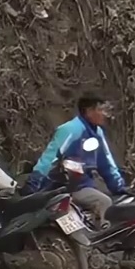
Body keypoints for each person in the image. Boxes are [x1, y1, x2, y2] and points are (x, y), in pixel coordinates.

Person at [28, 92, 127, 222]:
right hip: (62, 187)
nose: (105, 114)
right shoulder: (71, 129)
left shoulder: (97, 132)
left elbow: (107, 164)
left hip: (84, 185)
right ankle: (98, 239)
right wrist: (33, 183)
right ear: (88, 111)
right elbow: (49, 158)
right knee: (103, 202)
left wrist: (119, 187)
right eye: (101, 110)